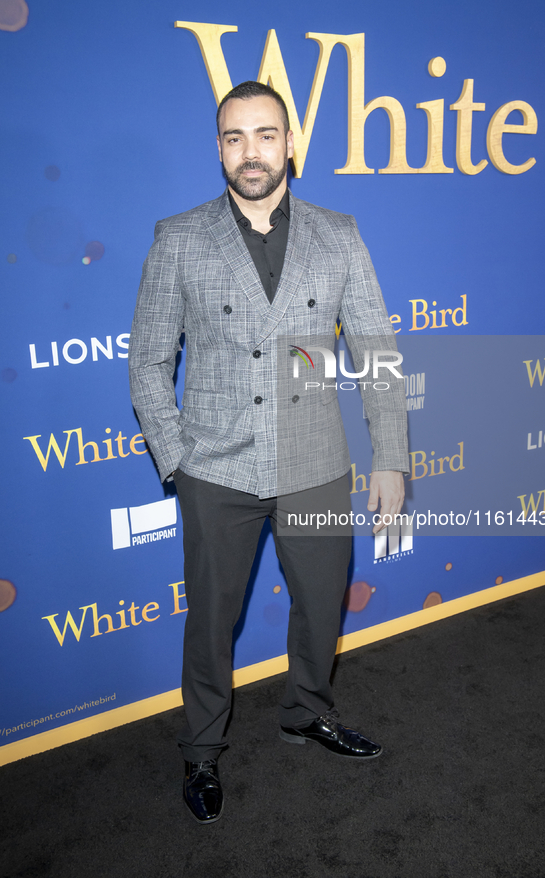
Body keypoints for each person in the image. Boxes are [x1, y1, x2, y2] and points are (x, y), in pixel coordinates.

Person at [129, 81, 409, 824]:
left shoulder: (339, 233)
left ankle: (305, 713)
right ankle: (200, 751)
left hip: (315, 463)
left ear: (290, 145)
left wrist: (391, 456)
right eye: (232, 137)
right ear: (218, 147)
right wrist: (177, 461)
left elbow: (376, 350)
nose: (248, 152)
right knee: (210, 622)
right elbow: (148, 363)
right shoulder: (179, 237)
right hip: (215, 468)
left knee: (320, 611)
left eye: (263, 135)